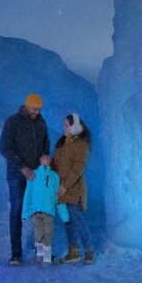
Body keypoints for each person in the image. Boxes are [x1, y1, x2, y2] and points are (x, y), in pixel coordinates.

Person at [0, 93, 50, 265]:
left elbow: (45, 143)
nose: (37, 112)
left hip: (36, 176)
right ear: (26, 106)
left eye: (39, 109)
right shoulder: (12, 122)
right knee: (17, 210)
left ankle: (41, 249)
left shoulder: (41, 122)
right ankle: (16, 254)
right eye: (35, 109)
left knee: (39, 211)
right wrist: (22, 167)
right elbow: (4, 148)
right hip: (16, 175)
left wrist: (44, 157)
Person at [54, 113, 95, 265]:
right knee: (68, 221)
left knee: (78, 220)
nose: (63, 128)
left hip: (74, 188)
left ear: (75, 126)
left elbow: (78, 168)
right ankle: (74, 252)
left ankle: (89, 251)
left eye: (66, 125)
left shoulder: (81, 144)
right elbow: (57, 164)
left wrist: (65, 185)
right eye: (63, 125)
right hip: (61, 188)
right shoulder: (62, 143)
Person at [21, 154, 69, 265]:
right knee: (38, 232)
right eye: (44, 157)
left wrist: (64, 215)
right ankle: (40, 251)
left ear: (51, 160)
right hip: (36, 210)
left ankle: (47, 256)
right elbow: (28, 194)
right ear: (39, 159)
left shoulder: (54, 176)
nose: (46, 159)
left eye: (48, 157)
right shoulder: (33, 174)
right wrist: (25, 212)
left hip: (49, 210)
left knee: (49, 231)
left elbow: (58, 196)